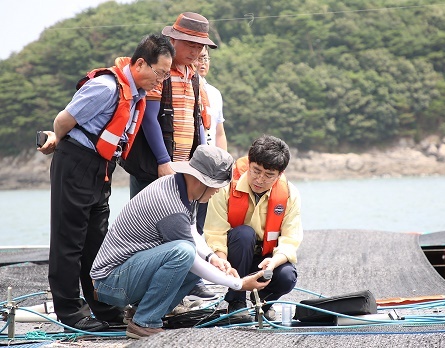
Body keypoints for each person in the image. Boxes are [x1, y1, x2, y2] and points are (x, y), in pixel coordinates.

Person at [38, 34, 175, 332]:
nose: (162, 81)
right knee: (69, 240)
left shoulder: (136, 93)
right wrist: (56, 139)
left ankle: (104, 309)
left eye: (167, 75)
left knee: (97, 243)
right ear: (140, 64)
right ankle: (71, 315)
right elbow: (64, 119)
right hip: (76, 161)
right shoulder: (105, 87)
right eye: (160, 73)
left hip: (102, 167)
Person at [90, 145, 270, 339]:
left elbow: (191, 230)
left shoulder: (181, 187)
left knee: (193, 260)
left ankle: (143, 312)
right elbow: (188, 255)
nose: (218, 191)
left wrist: (212, 258)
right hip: (109, 281)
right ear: (201, 181)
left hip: (128, 273)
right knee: (184, 253)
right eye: (217, 185)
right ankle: (145, 322)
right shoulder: (169, 205)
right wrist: (238, 284)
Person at [121, 11, 219, 301]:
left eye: (201, 47)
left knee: (191, 225)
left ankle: (191, 281)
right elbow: (150, 120)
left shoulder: (193, 76)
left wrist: (203, 164)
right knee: (150, 229)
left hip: (187, 168)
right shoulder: (160, 72)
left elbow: (198, 122)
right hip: (157, 167)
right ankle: (142, 294)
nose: (197, 52)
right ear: (173, 40)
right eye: (191, 45)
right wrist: (163, 161)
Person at [204, 135, 303, 321]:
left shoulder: (290, 195)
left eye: (269, 175)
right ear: (249, 163)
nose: (260, 179)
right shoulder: (225, 187)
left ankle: (265, 302)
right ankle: (236, 301)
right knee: (244, 234)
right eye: (256, 171)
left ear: (280, 174)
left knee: (287, 276)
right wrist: (223, 263)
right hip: (235, 255)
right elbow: (215, 232)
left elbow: (290, 241)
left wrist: (272, 264)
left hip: (265, 259)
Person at [194, 45, 227, 235]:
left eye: (205, 58)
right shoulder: (183, 89)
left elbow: (219, 133)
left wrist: (224, 165)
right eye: (198, 58)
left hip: (211, 167)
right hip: (192, 166)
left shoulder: (214, 93)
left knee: (204, 221)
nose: (202, 63)